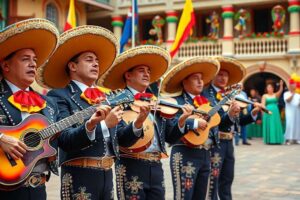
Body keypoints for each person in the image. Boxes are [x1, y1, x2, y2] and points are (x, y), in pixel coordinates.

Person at [38, 26, 142, 200]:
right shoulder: (59, 96)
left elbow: (123, 139)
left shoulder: (108, 97)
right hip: (79, 173)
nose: (96, 63)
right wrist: (101, 125)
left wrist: (138, 124)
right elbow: (65, 140)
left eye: (97, 60)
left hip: (108, 173)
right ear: (72, 66)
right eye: (89, 59)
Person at [100, 45, 194, 200]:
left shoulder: (155, 101)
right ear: (128, 75)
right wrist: (138, 123)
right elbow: (122, 138)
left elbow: (170, 137)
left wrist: (182, 120)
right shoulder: (119, 100)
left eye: (149, 71)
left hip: (156, 165)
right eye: (141, 70)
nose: (147, 74)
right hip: (131, 164)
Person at [0, 19, 59, 199]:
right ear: (6, 65)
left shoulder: (49, 103)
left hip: (39, 188)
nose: (33, 64)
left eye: (35, 60)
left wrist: (91, 125)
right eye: (25, 59)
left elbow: (66, 142)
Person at [160, 57, 220, 200]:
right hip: (185, 153)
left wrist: (231, 114)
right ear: (184, 81)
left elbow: (219, 122)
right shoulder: (176, 102)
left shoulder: (207, 102)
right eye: (195, 78)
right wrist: (193, 123)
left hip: (206, 153)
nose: (200, 81)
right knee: (184, 196)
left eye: (201, 78)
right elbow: (172, 126)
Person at [202, 57, 261, 200]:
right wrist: (230, 113)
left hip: (229, 143)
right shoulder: (205, 94)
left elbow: (236, 121)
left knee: (227, 179)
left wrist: (252, 115)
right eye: (220, 74)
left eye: (226, 75)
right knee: (213, 182)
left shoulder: (229, 95)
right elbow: (216, 120)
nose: (223, 78)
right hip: (215, 143)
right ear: (214, 75)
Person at [262, 80, 284, 144]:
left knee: (275, 124)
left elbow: (280, 91)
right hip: (268, 111)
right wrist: (264, 111)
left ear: (273, 88)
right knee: (270, 124)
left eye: (270, 87)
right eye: (268, 87)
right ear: (266, 89)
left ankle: (277, 140)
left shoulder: (275, 95)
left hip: (275, 112)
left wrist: (281, 85)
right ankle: (269, 140)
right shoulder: (265, 96)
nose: (269, 88)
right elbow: (263, 104)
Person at [284, 77, 300, 144]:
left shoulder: (298, 95)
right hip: (289, 112)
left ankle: (296, 139)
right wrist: (292, 94)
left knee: (297, 124)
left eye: (294, 85)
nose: (293, 86)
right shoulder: (286, 93)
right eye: (292, 85)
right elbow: (287, 100)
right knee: (290, 124)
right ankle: (289, 139)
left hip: (297, 112)